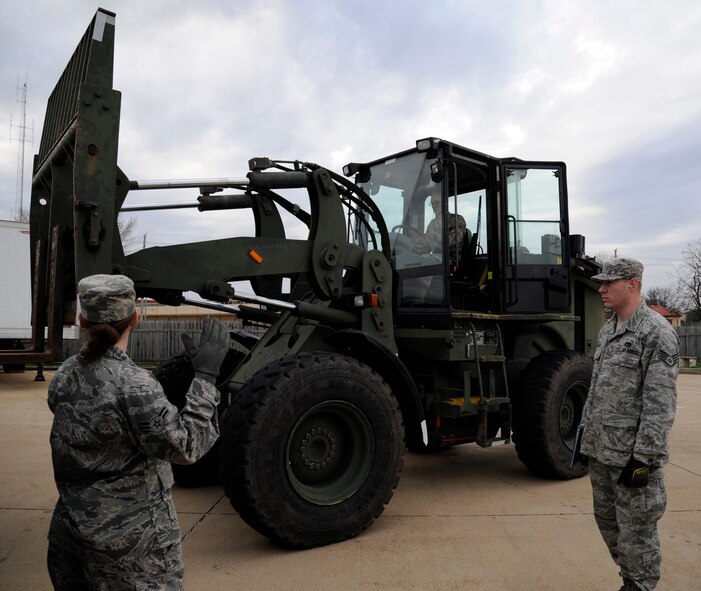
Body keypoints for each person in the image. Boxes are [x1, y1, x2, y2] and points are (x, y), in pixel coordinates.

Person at [46, 274, 229, 590]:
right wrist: (206, 377)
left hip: (71, 533)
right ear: (135, 318)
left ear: (80, 319)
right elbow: (185, 447)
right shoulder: (133, 383)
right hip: (131, 546)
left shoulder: (65, 374)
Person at [580, 258, 679, 591]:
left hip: (632, 457)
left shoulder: (656, 332)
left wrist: (644, 460)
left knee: (638, 531)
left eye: (610, 283)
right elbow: (597, 390)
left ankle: (639, 585)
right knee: (610, 524)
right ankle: (630, 578)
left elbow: (660, 403)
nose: (601, 289)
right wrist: (585, 439)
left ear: (633, 284)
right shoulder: (609, 328)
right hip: (601, 452)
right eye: (602, 283)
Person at [412, 185, 468, 260]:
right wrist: (415, 247)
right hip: (438, 259)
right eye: (432, 203)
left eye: (437, 203)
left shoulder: (457, 219)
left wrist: (431, 241)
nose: (434, 206)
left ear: (445, 203)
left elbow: (450, 242)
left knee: (425, 259)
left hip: (453, 258)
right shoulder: (432, 223)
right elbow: (426, 246)